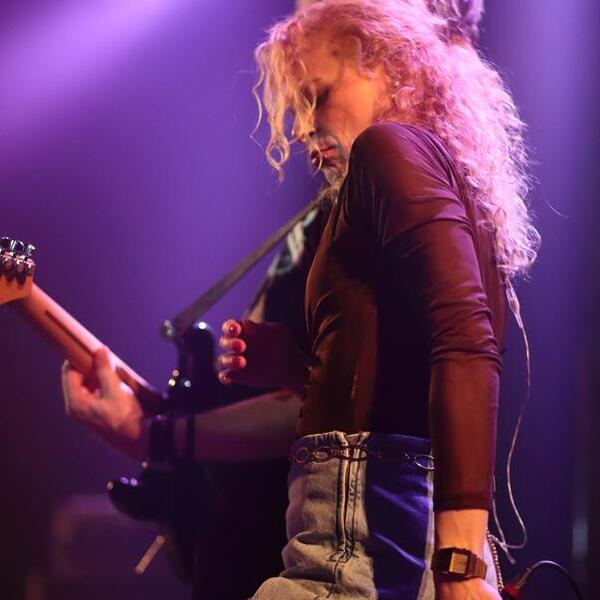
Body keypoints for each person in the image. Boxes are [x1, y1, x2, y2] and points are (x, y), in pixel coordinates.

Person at [62, 1, 539, 598]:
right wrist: (297, 367)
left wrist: (461, 566)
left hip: (355, 550)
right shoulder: (422, 177)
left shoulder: (387, 149)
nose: (301, 128)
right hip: (368, 542)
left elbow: (466, 340)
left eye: (316, 96)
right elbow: (398, 394)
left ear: (385, 62)